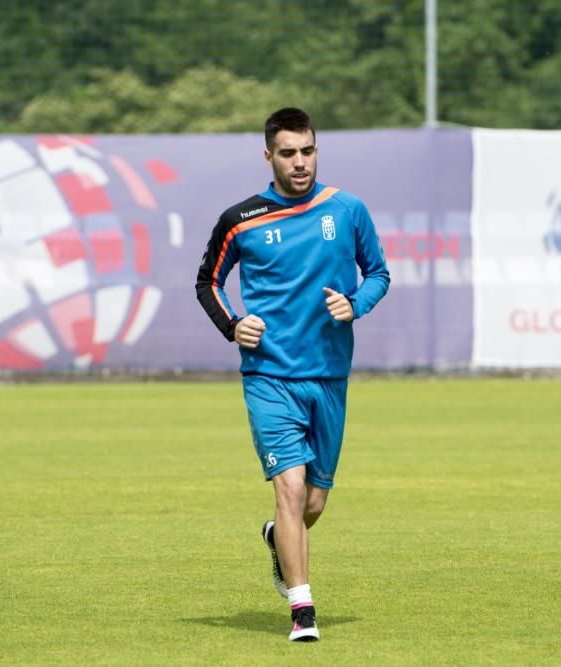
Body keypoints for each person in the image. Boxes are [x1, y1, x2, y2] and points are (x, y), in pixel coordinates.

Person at [195, 107, 390, 642]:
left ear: (315, 150)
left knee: (313, 503)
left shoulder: (347, 209)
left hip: (329, 375)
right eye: (288, 153)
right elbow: (207, 282)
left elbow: (378, 273)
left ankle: (278, 540)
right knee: (290, 485)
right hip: (269, 375)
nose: (299, 162)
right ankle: (302, 612)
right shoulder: (242, 219)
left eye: (307, 151)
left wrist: (357, 304)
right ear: (268, 157)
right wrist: (235, 326)